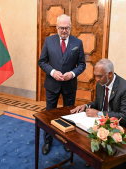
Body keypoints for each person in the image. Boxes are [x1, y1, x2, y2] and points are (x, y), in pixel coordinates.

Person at [38, 14, 86, 155]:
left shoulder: (78, 43)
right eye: (61, 28)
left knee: (68, 114)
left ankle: (67, 141)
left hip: (69, 85)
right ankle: (48, 141)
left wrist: (72, 73)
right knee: (49, 113)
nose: (64, 31)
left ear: (71, 27)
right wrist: (52, 72)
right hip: (52, 84)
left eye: (67, 28)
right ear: (56, 27)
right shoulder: (48, 41)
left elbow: (82, 64)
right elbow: (42, 62)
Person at [70, 58, 126, 132]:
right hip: (104, 125)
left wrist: (99, 114)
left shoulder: (125, 88)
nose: (96, 79)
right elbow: (97, 103)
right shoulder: (100, 84)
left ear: (110, 74)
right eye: (95, 76)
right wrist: (85, 106)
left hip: (123, 128)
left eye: (99, 76)